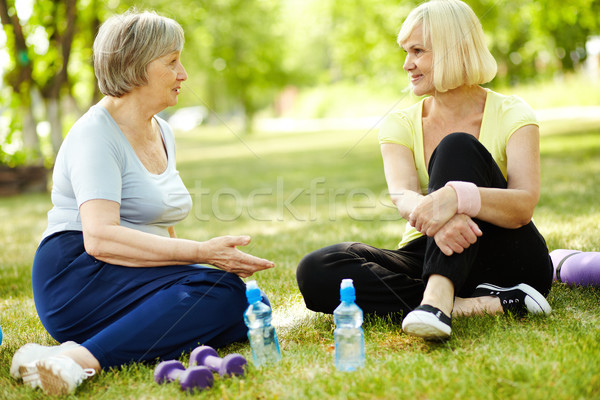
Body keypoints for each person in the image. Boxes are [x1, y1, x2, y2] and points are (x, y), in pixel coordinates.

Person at [11, 10, 274, 396]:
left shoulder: (162, 129)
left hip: (128, 270)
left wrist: (195, 266)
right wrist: (202, 254)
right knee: (220, 291)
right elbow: (99, 238)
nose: (183, 73)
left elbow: (162, 225)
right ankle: (82, 360)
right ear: (135, 67)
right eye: (171, 62)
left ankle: (58, 353)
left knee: (249, 309)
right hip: (79, 274)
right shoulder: (95, 134)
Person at [296, 0, 553, 341]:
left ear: (451, 51)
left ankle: (435, 301)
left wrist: (456, 198)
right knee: (317, 270)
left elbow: (523, 206)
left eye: (418, 51)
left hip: (507, 257)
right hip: (432, 245)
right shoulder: (400, 123)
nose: (407, 64)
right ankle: (471, 304)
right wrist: (441, 214)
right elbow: (402, 194)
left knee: (457, 146)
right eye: (406, 51)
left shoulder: (512, 113)